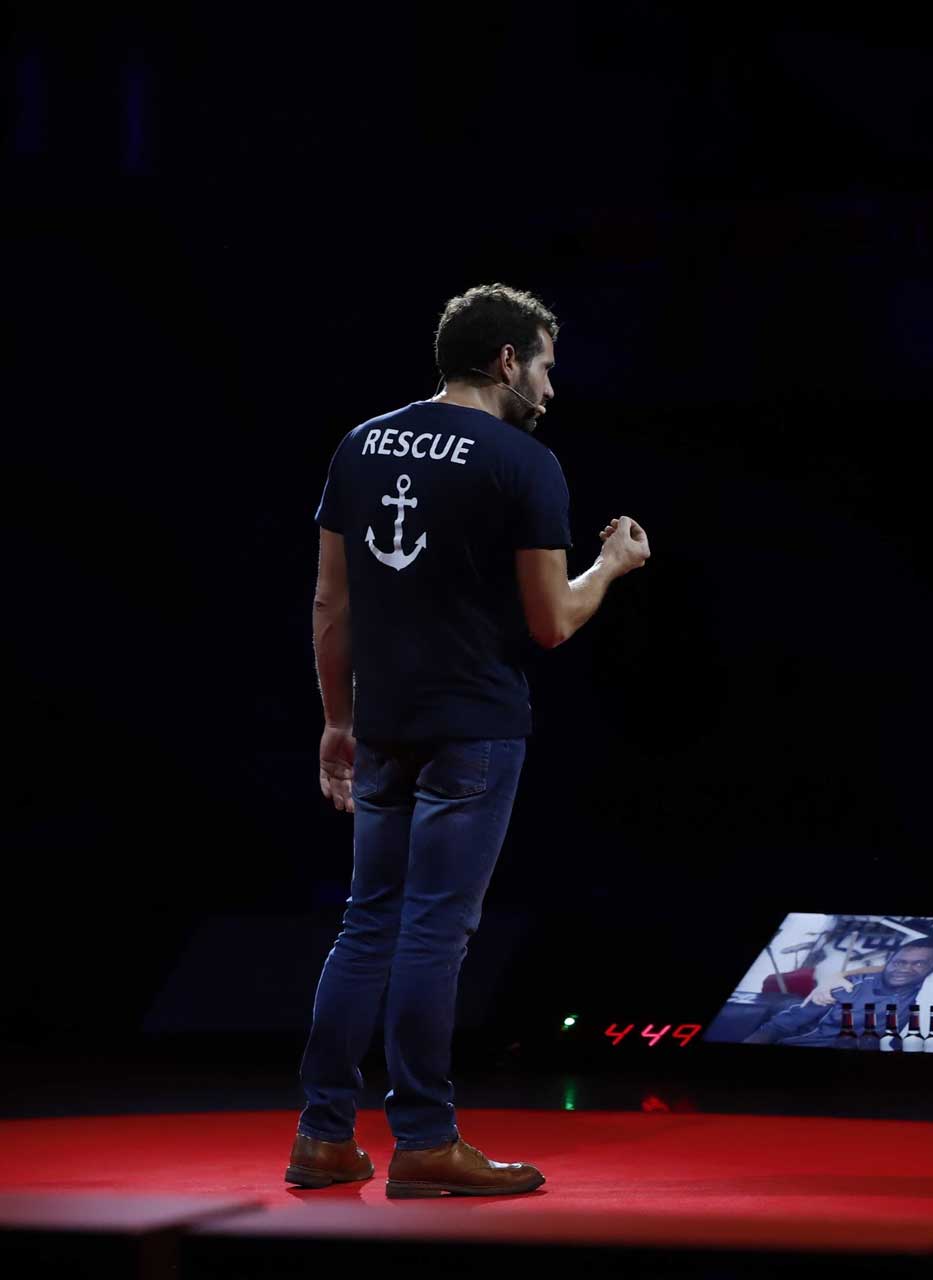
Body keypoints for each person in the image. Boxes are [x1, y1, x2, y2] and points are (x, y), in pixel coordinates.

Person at [288, 284, 652, 1197]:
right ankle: (425, 1142)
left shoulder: (360, 443)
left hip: (383, 723)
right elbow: (552, 623)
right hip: (474, 730)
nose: (549, 389)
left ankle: (323, 1138)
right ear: (505, 362)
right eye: (543, 366)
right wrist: (611, 565)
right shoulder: (524, 463)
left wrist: (338, 720)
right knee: (433, 932)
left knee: (366, 923)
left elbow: (332, 602)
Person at [745, 938, 933, 1046]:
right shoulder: (847, 986)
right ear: (888, 961)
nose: (904, 969)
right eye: (899, 962)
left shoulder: (928, 994)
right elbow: (777, 1027)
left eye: (919, 964)